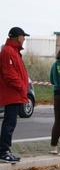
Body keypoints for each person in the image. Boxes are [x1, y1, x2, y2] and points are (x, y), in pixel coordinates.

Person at [0, 27, 30, 163]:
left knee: (11, 121)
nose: (24, 39)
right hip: (12, 93)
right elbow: (10, 74)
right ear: (18, 37)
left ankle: (5, 149)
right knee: (9, 122)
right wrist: (21, 86)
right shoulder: (8, 51)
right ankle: (3, 150)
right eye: (23, 37)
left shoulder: (14, 51)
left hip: (15, 93)